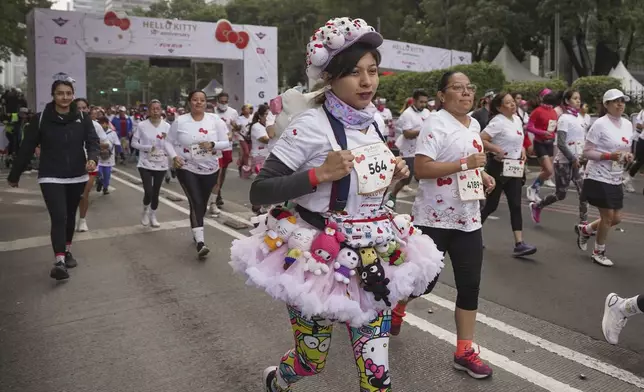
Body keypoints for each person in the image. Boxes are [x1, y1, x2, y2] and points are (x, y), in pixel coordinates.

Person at [229, 17, 443, 392]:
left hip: (374, 258)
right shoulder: (308, 125)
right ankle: (279, 380)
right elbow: (260, 191)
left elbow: (368, 192)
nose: (367, 82)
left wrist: (392, 176)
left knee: (377, 378)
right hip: (316, 261)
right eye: (354, 73)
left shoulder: (373, 122)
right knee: (312, 360)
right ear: (330, 78)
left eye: (373, 71)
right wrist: (317, 175)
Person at [410, 70, 496, 379]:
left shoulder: (473, 124)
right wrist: (465, 165)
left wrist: (482, 176)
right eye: (457, 88)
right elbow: (421, 168)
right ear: (442, 96)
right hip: (433, 218)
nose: (465, 92)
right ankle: (393, 307)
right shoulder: (434, 123)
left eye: (469, 88)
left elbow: (471, 160)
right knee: (424, 283)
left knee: (470, 285)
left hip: (468, 219)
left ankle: (464, 351)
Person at [7, 80, 99, 280]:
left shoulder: (83, 118)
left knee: (69, 215)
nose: (64, 97)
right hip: (51, 175)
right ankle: (59, 261)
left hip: (77, 175)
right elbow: (27, 147)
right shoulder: (41, 119)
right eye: (60, 93)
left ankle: (66, 250)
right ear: (53, 95)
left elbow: (93, 142)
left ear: (73, 95)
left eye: (68, 93)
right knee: (58, 216)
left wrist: (92, 158)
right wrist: (15, 174)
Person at [166, 90, 230, 259]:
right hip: (187, 167)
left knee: (201, 203)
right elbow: (167, 142)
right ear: (189, 102)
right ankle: (201, 243)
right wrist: (174, 157)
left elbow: (225, 142)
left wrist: (213, 144)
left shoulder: (215, 120)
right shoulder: (180, 122)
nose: (199, 103)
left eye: (202, 100)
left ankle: (196, 230)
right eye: (195, 100)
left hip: (210, 168)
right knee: (195, 201)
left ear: (206, 103)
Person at [576, 89, 634, 267]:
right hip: (598, 175)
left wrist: (628, 157)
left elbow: (626, 148)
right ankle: (598, 252)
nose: (620, 104)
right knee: (608, 216)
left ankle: (586, 229)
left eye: (622, 101)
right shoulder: (600, 124)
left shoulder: (627, 124)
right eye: (615, 101)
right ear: (606, 105)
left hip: (616, 175)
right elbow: (586, 152)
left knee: (616, 219)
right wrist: (609, 156)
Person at [480, 92, 537, 256]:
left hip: (515, 167)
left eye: (513, 102)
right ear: (499, 107)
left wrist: (523, 149)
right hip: (498, 168)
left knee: (516, 205)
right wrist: (495, 149)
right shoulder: (497, 122)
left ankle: (519, 243)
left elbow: (518, 139)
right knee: (491, 205)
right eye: (508, 103)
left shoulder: (517, 119)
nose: (513, 105)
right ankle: (472, 232)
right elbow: (480, 139)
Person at [530, 89, 589, 224]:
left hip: (577, 161)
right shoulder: (564, 118)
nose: (578, 101)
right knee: (560, 194)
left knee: (583, 191)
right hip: (564, 162)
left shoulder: (580, 118)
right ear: (567, 101)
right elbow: (561, 144)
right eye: (575, 98)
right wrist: (572, 158)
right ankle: (537, 206)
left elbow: (582, 140)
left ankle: (584, 223)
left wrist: (583, 156)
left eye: (579, 98)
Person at [130, 99, 172, 227]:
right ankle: (144, 211)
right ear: (149, 111)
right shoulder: (142, 125)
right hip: (145, 162)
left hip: (161, 162)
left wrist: (173, 158)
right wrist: (147, 148)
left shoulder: (167, 126)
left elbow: (170, 144)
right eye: (153, 108)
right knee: (148, 191)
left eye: (158, 108)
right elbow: (133, 143)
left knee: (156, 192)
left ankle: (153, 215)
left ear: (161, 110)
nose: (155, 111)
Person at [388, 89, 430, 207]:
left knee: (423, 175)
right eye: (421, 102)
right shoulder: (407, 114)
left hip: (423, 149)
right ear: (414, 101)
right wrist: (423, 131)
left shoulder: (427, 112)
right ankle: (393, 195)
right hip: (409, 150)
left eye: (425, 102)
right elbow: (407, 134)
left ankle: (423, 201)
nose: (424, 104)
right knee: (406, 178)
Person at [526, 89, 559, 203]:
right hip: (540, 143)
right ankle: (532, 188)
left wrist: (554, 133)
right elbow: (529, 127)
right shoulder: (537, 111)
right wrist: (542, 133)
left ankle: (535, 189)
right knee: (549, 170)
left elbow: (554, 128)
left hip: (550, 143)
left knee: (546, 170)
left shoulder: (554, 112)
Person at [211, 92, 238, 215]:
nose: (223, 104)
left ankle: (218, 191)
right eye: (221, 102)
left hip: (227, 146)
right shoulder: (212, 112)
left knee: (223, 171)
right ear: (217, 101)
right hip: (215, 146)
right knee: (217, 171)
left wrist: (234, 127)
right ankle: (216, 195)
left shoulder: (233, 112)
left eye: (225, 102)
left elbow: (237, 128)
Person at [96, 116, 120, 195]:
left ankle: (105, 187)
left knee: (107, 175)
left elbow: (117, 144)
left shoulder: (112, 133)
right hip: (99, 156)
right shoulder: (96, 132)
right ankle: (100, 181)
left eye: (102, 123)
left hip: (109, 157)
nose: (101, 125)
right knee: (98, 172)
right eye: (100, 123)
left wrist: (118, 154)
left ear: (106, 124)